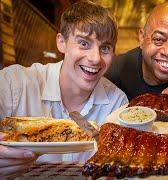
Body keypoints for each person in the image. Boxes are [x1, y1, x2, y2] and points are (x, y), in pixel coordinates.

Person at [0, 1, 128, 178]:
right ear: (61, 42)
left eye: (105, 48)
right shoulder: (13, 84)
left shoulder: (117, 104)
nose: (95, 58)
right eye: (84, 43)